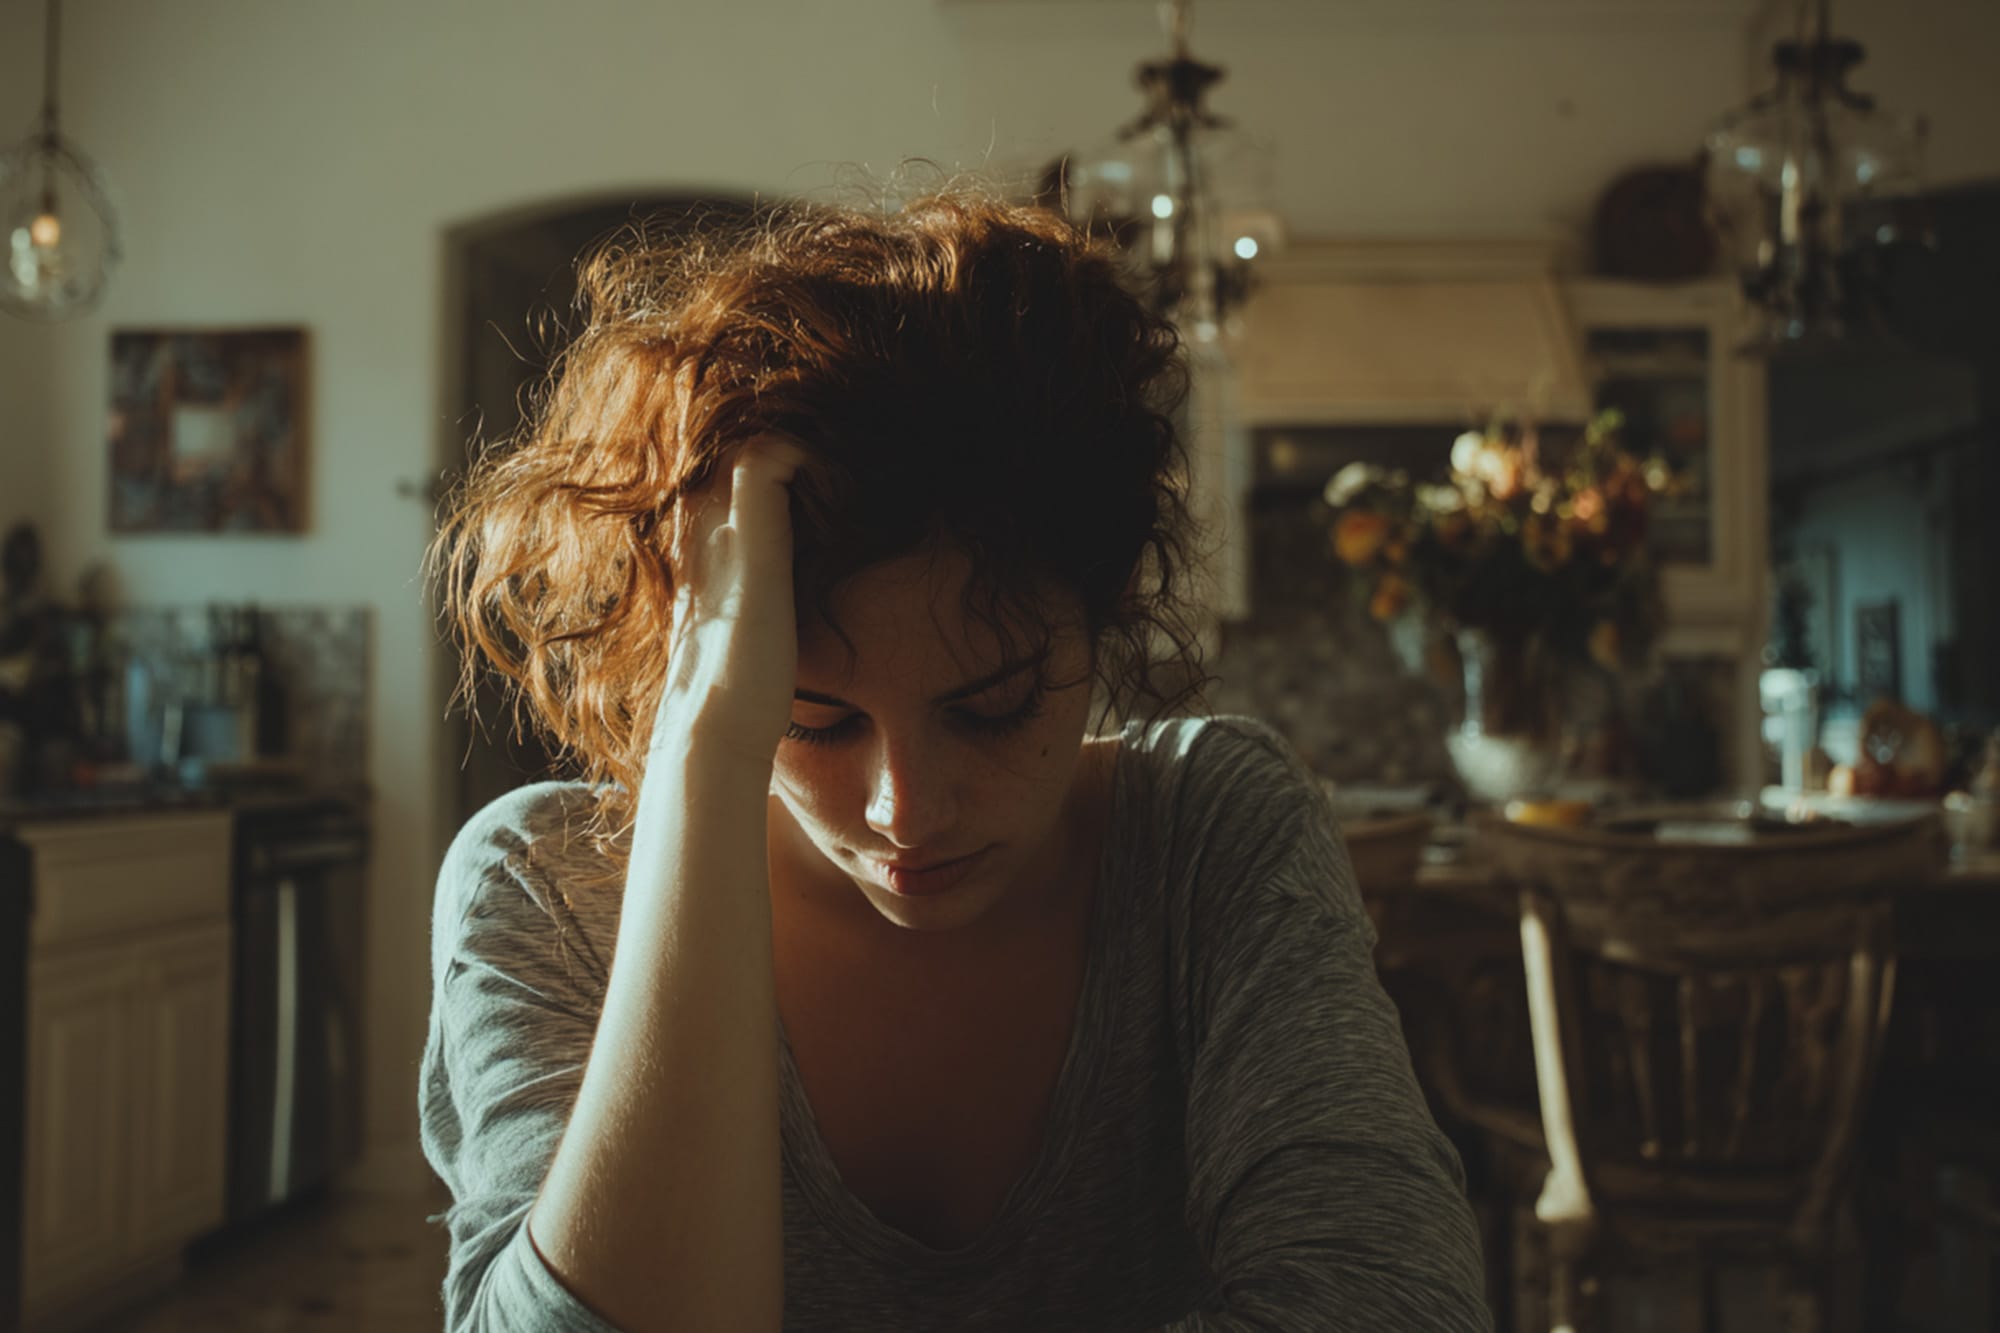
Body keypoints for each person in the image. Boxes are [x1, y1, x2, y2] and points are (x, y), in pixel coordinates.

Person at [420, 186, 1493, 1332]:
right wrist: (698, 760)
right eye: (811, 719)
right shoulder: (541, 888)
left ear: (1103, 616)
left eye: (991, 705)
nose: (906, 808)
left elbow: (1388, 1304)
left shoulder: (1206, 834)